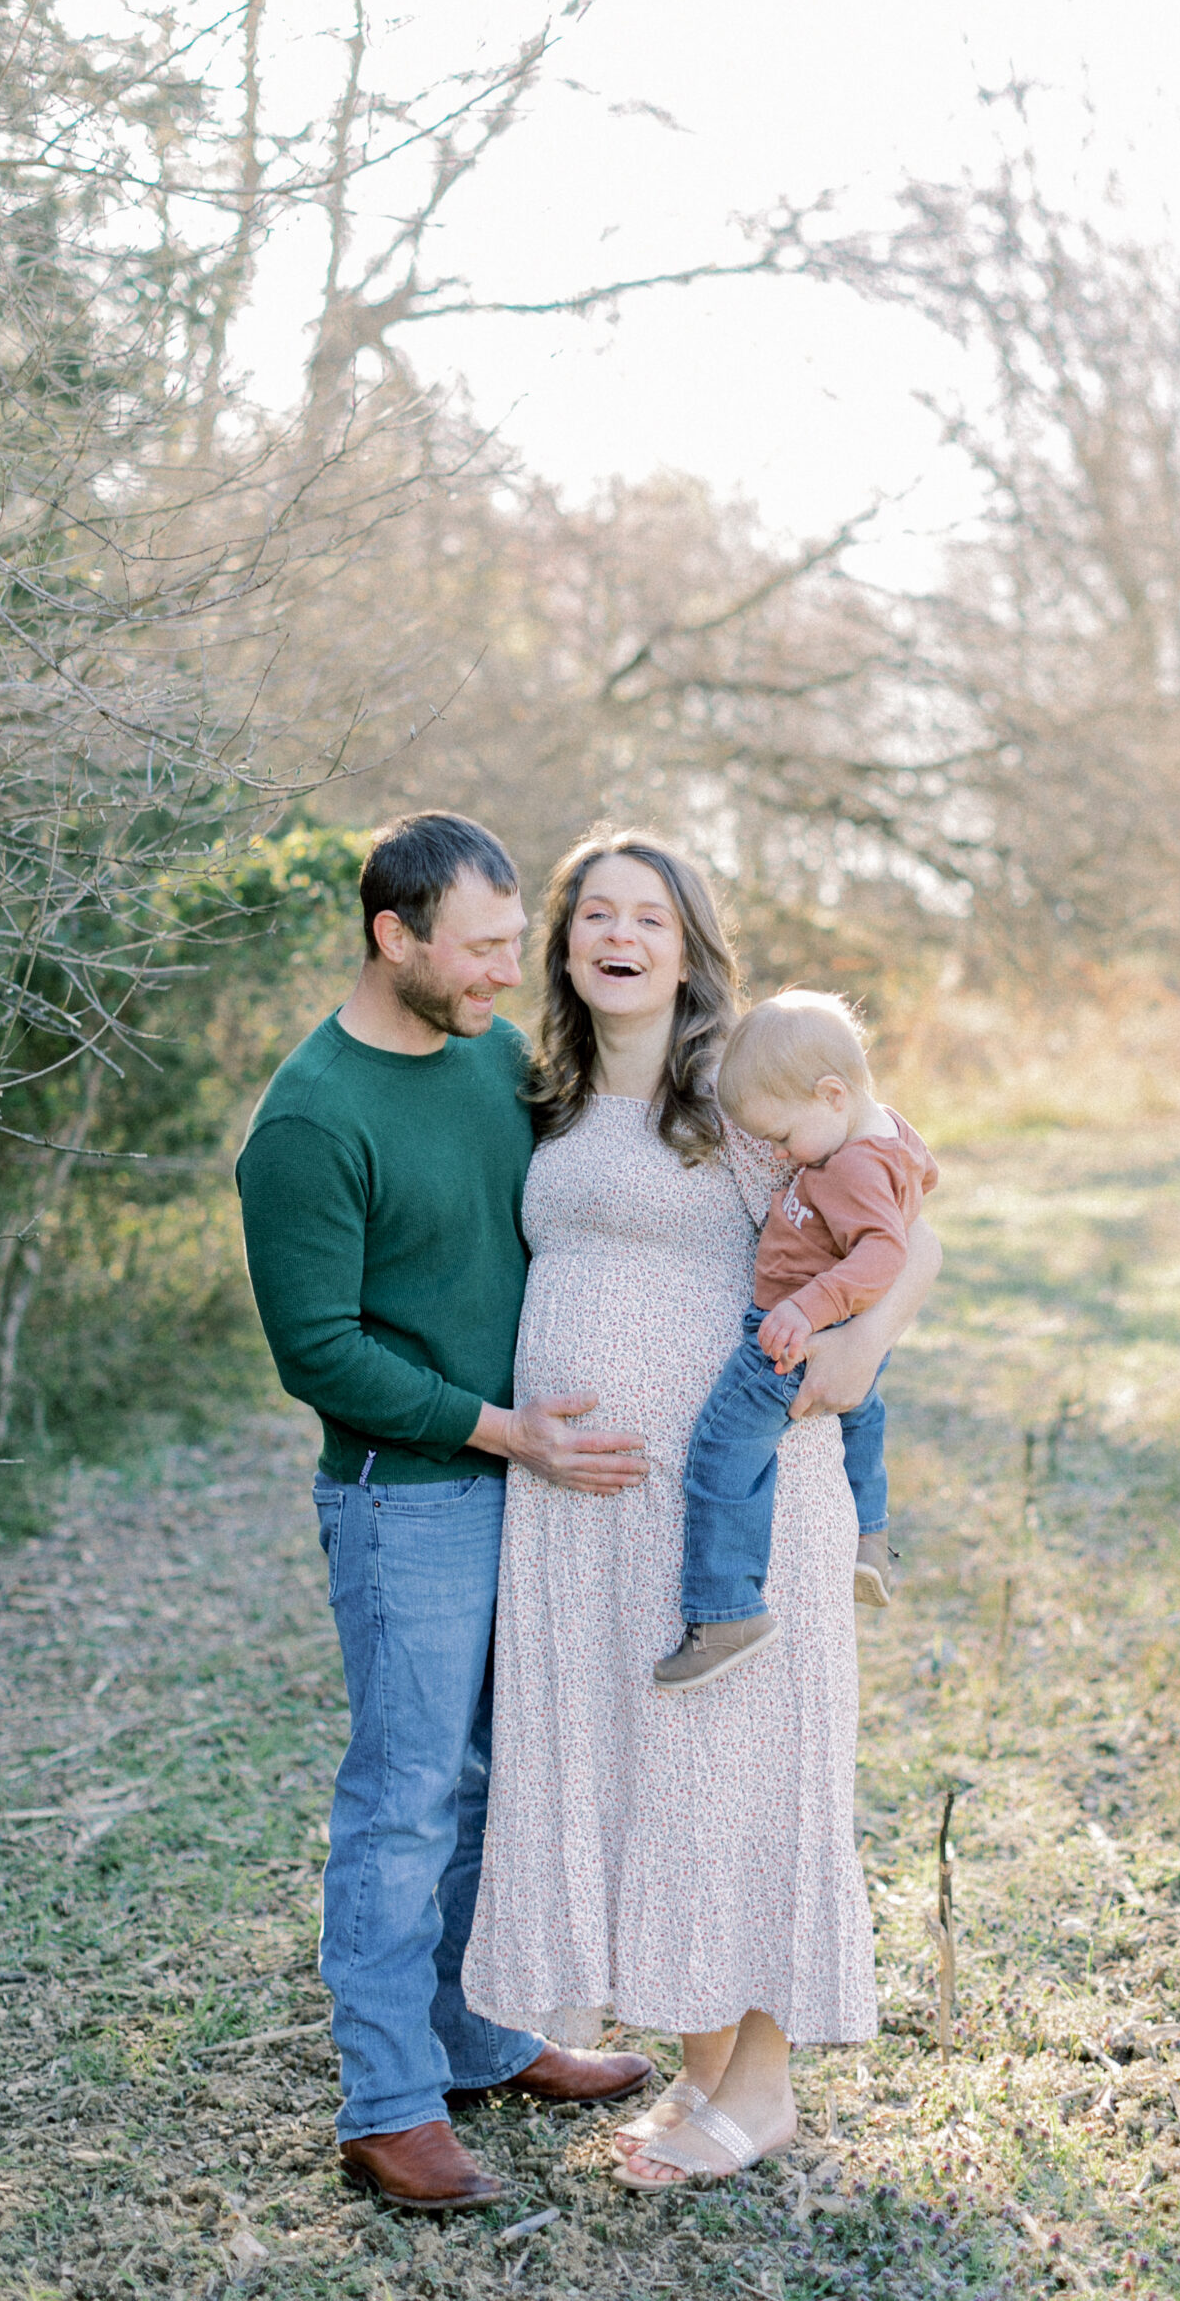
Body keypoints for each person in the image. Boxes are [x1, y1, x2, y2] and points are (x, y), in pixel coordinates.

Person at [462, 831, 941, 2189]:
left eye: (649, 919)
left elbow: (909, 1218)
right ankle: (703, 2062)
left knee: (746, 1771)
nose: (619, 937)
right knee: (650, 1774)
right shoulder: (543, 1090)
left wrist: (859, 1351)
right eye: (595, 915)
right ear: (563, 941)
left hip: (730, 1496)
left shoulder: (741, 1083)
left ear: (688, 948)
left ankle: (764, 2087)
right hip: (581, 1510)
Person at [234, 813, 654, 2217]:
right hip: (408, 1500)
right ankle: (388, 2105)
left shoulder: (492, 1059)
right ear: (392, 936)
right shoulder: (310, 1119)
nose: (501, 973)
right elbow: (318, 1353)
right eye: (476, 949)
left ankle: (478, 2038)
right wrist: (504, 1430)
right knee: (405, 1798)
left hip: (525, 1487)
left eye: (509, 944)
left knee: (495, 1779)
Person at [652, 989, 938, 1693]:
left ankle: (726, 1612)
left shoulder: (849, 1165)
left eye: (782, 1137)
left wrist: (809, 1308)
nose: (779, 1154)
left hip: (795, 1331)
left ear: (832, 1094)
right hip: (830, 1325)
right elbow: (922, 1185)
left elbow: (884, 1252)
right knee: (861, 1416)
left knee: (723, 1450)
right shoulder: (887, 1134)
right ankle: (869, 1538)